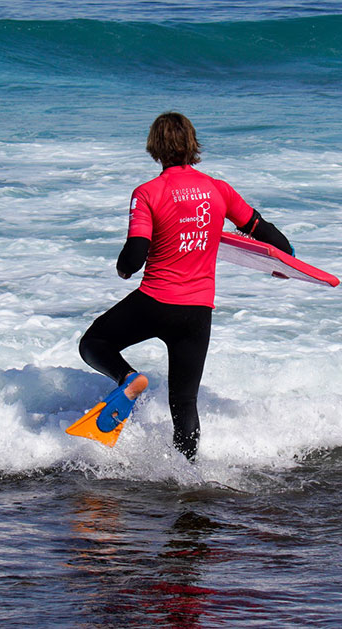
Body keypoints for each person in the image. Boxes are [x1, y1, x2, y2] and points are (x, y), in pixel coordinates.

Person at [78, 112, 293, 460]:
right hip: (197, 312)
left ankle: (128, 378)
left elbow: (134, 257)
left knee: (93, 342)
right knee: (184, 401)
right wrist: (288, 260)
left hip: (155, 302)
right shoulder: (219, 190)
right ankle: (185, 476)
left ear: (155, 148)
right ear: (192, 144)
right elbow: (264, 231)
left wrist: (122, 270)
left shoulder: (148, 193)